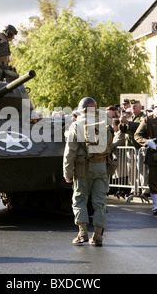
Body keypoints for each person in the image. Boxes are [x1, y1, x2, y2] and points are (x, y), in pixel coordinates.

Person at [63, 97, 113, 246]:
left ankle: (82, 234)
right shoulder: (106, 123)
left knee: (79, 200)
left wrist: (67, 172)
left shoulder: (76, 125)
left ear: (81, 110)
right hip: (102, 167)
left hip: (82, 168)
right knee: (100, 203)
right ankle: (98, 236)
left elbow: (69, 152)